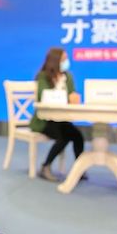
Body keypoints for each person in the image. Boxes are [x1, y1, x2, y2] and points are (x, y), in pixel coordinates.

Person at [29, 47, 86, 182]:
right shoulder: (43, 76)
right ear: (55, 60)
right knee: (64, 136)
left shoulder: (68, 77)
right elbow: (42, 96)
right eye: (64, 59)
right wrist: (64, 95)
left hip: (62, 120)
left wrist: (74, 98)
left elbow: (72, 95)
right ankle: (46, 166)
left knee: (78, 136)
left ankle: (80, 169)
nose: (66, 62)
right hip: (44, 121)